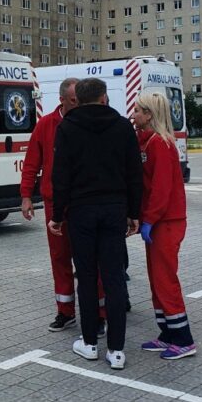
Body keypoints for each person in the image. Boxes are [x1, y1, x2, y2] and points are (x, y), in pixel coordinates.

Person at [49, 77, 142, 370]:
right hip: (114, 209)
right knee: (114, 278)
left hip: (81, 212)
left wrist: (57, 215)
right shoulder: (123, 126)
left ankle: (89, 343)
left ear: (79, 98)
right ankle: (116, 350)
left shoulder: (67, 128)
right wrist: (134, 213)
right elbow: (134, 173)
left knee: (86, 277)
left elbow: (60, 175)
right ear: (103, 98)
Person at [130, 91, 196, 360]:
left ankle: (183, 339)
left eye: (137, 110)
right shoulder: (147, 141)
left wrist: (149, 219)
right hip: (158, 221)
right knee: (157, 279)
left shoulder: (159, 144)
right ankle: (167, 332)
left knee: (165, 279)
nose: (133, 115)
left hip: (166, 221)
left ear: (149, 114)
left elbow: (161, 188)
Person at [20, 78, 81, 331]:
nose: (78, 105)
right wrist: (26, 196)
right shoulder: (46, 125)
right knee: (59, 258)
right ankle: (65, 311)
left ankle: (99, 314)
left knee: (89, 260)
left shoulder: (85, 124)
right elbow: (32, 162)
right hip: (54, 202)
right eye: (74, 100)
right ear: (62, 100)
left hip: (81, 203)